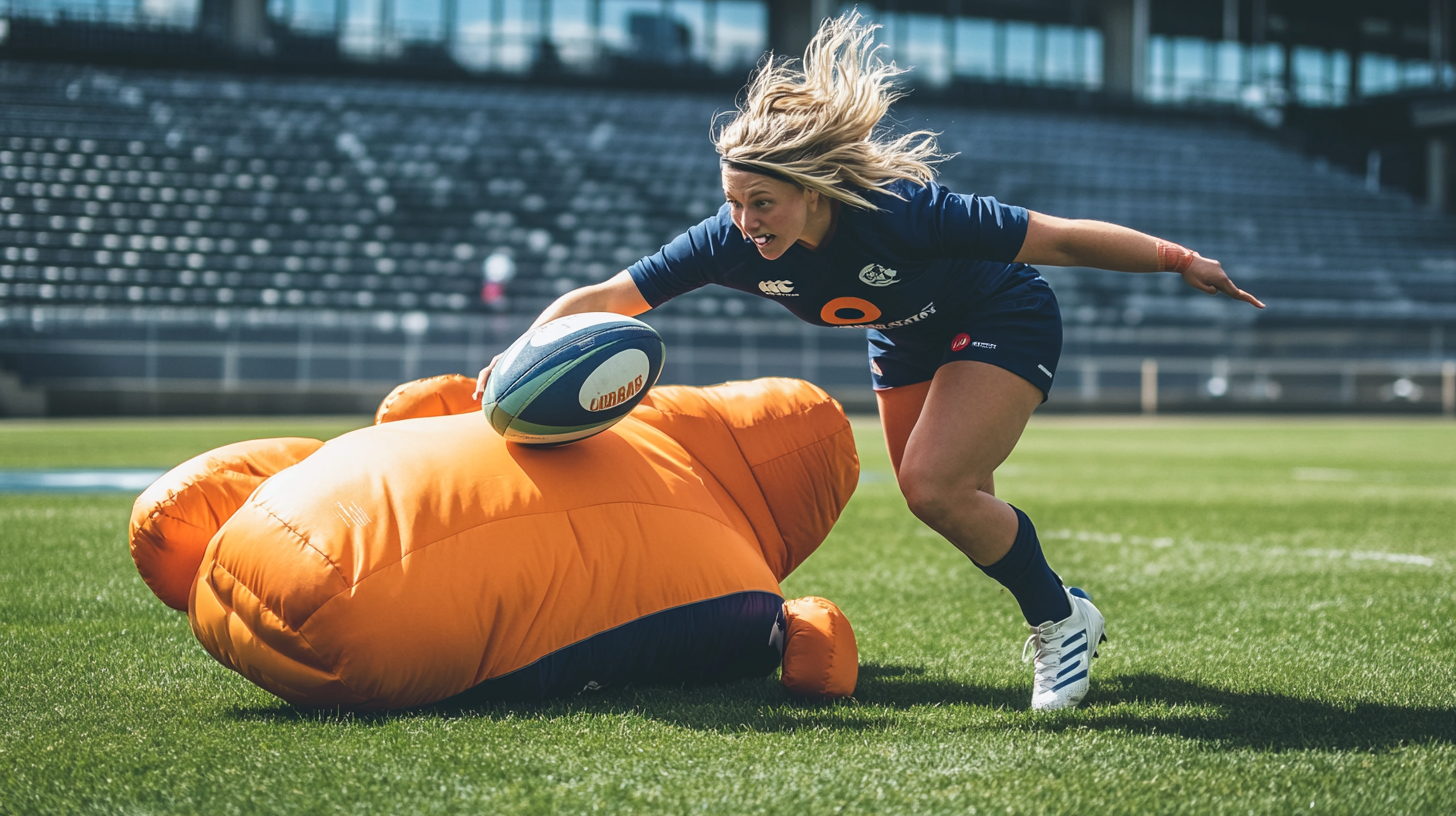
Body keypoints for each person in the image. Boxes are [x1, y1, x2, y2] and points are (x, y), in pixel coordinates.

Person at [474, 12, 1263, 710]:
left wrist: (1176, 259)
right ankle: (1067, 604)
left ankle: (1059, 626)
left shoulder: (903, 215)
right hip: (905, 337)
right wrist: (516, 360)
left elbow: (1053, 238)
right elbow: (613, 296)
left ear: (814, 192)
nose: (745, 223)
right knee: (953, 499)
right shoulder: (728, 239)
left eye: (763, 204)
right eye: (734, 202)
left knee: (933, 485)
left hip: (1001, 313)